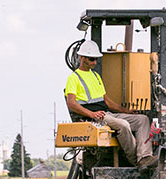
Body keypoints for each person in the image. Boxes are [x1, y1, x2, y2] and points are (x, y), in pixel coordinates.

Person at [65, 40, 158, 169]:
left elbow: (107, 102)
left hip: (106, 114)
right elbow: (71, 103)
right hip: (92, 118)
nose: (94, 63)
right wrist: (92, 114)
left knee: (143, 120)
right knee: (123, 125)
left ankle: (144, 157)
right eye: (92, 59)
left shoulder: (96, 76)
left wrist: (126, 111)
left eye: (96, 59)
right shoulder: (74, 78)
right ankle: (135, 161)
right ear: (82, 58)